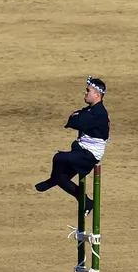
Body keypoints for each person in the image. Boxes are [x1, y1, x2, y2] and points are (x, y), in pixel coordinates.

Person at [35, 77, 109, 214]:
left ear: (97, 95)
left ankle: (54, 181)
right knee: (60, 178)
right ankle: (86, 201)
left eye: (88, 91)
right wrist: (76, 118)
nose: (85, 93)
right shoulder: (89, 110)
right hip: (81, 149)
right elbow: (72, 120)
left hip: (89, 155)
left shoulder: (99, 113)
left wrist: (76, 117)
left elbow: (76, 122)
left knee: (58, 157)